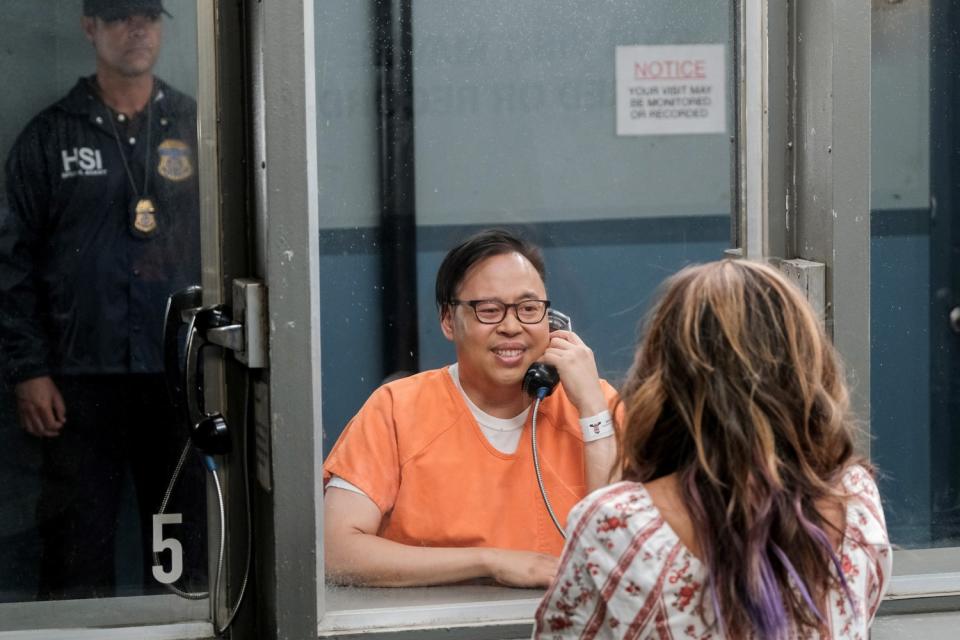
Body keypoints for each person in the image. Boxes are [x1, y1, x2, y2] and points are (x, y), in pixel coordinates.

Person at [534, 259, 891, 639]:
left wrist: (593, 413)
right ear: (808, 369)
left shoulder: (617, 524)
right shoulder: (855, 499)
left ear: (662, 375)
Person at [0, 0, 203, 599]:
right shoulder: (51, 136)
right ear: (90, 28)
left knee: (179, 544)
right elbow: (13, 265)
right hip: (78, 384)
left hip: (174, 376)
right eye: (118, 17)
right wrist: (27, 370)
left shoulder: (196, 126)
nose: (136, 30)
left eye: (148, 16)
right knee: (76, 547)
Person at [323, 229, 619, 587]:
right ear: (449, 320)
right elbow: (336, 553)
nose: (512, 327)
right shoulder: (397, 409)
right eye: (489, 311)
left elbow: (623, 547)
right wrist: (491, 561)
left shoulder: (595, 404)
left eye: (528, 310)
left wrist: (592, 409)